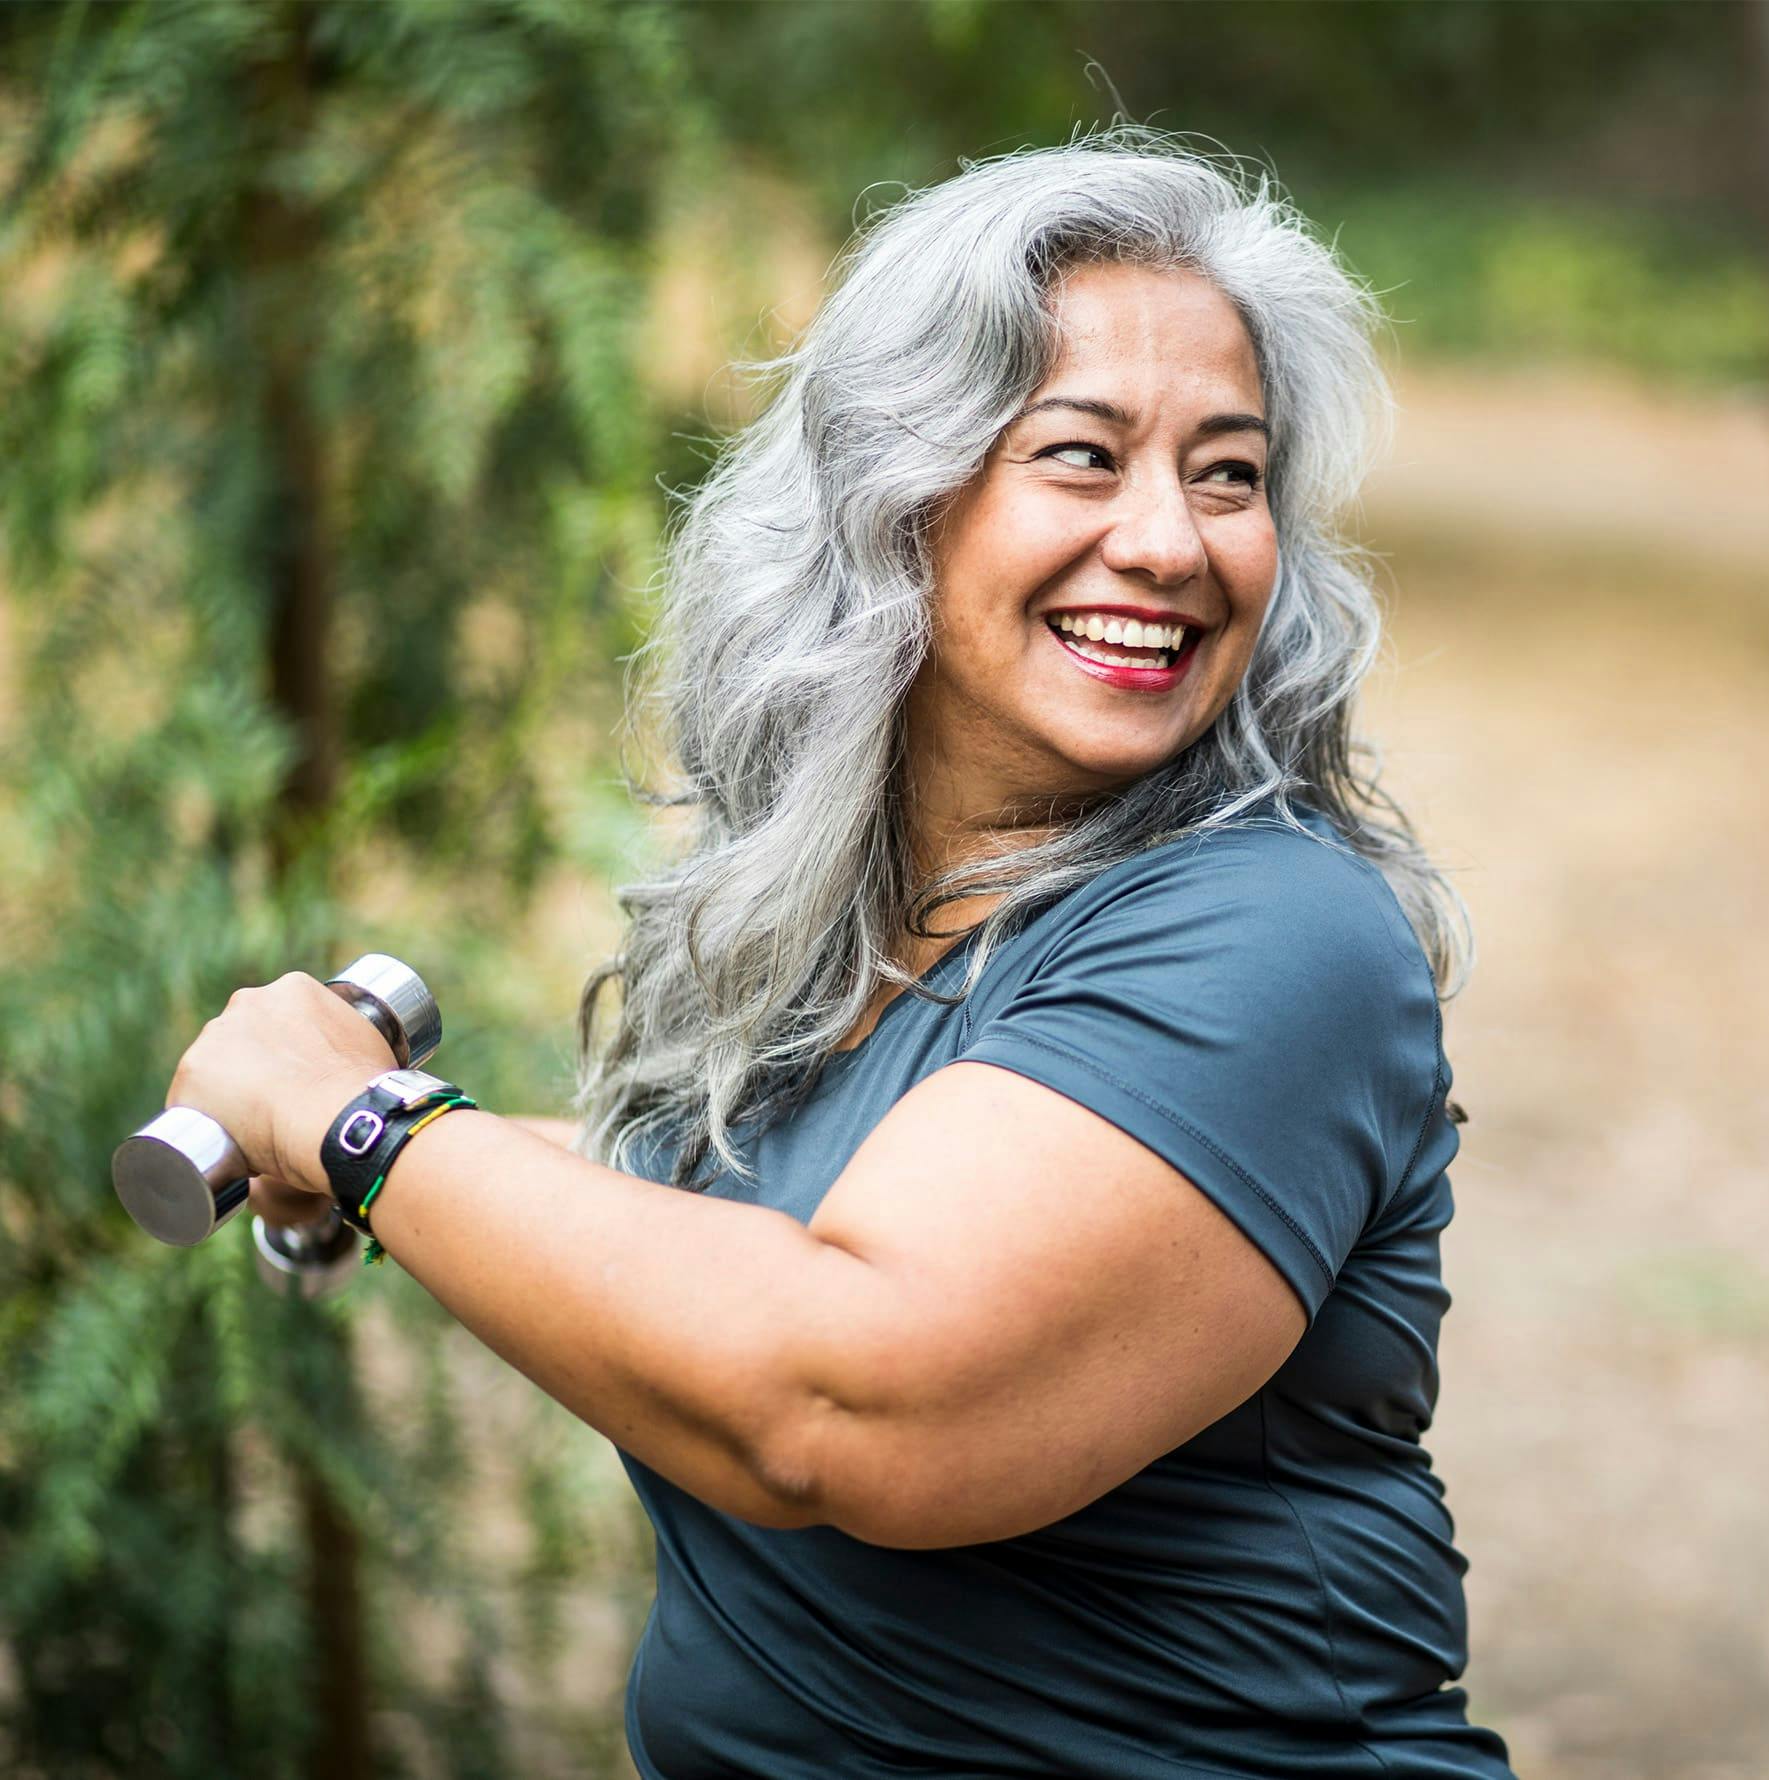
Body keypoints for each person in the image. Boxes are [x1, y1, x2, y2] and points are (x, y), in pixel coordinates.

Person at [181, 131, 1517, 1779]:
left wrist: (366, 1132)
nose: (1172, 541)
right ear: (897, 498)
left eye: (1227, 474)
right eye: (1082, 456)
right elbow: (750, 1214)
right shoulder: (868, 919)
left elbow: (852, 1397)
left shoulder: (1268, 933)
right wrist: (387, 1144)